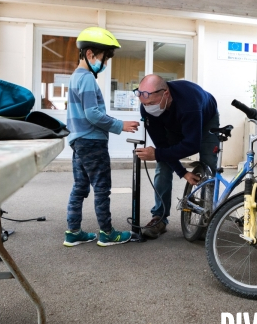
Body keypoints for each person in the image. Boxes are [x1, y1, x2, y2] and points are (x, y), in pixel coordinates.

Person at [64, 27, 140, 247]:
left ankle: (73, 231)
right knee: (102, 188)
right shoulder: (87, 78)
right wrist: (120, 125)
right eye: (104, 57)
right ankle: (107, 233)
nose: (105, 63)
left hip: (78, 141)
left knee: (80, 187)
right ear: (90, 54)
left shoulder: (75, 77)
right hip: (91, 141)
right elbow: (92, 113)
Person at [135, 74, 219, 239]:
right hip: (172, 125)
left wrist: (157, 154)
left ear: (166, 94)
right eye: (144, 104)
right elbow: (162, 145)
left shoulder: (189, 102)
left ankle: (209, 215)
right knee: (162, 166)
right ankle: (159, 217)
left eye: (151, 103)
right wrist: (183, 172)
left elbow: (191, 144)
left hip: (205, 119)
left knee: (209, 164)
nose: (147, 107)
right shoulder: (147, 107)